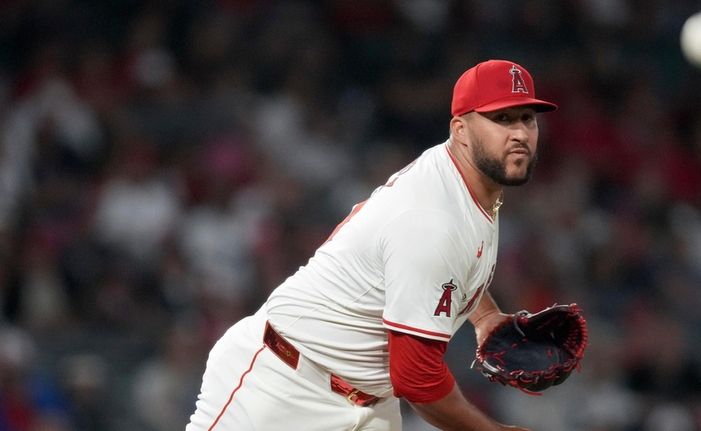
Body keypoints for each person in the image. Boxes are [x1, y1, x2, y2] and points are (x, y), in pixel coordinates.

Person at [186, 59, 558, 431]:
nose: (520, 133)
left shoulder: (466, 182)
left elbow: (454, 266)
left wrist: (486, 316)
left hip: (368, 403)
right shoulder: (433, 218)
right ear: (460, 129)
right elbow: (417, 380)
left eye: (527, 118)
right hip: (282, 386)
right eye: (502, 119)